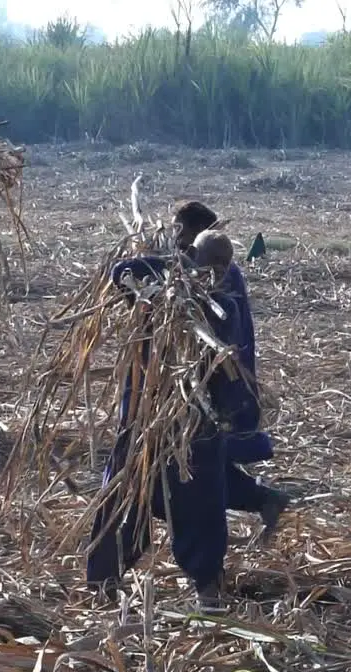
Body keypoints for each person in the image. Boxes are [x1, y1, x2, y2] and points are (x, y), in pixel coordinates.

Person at [86, 231, 253, 610]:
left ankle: (208, 588)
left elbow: (232, 367)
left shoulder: (226, 303)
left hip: (196, 429)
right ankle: (102, 585)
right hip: (145, 421)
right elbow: (121, 273)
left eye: (219, 269)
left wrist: (228, 419)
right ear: (191, 256)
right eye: (206, 266)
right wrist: (170, 267)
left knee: (202, 509)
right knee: (123, 501)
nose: (212, 275)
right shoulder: (159, 287)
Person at [172, 202, 291, 539]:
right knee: (198, 465)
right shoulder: (203, 273)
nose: (174, 238)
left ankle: (262, 499)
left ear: (196, 236)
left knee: (198, 469)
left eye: (179, 231)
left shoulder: (219, 278)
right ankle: (264, 499)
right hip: (211, 389)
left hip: (219, 390)